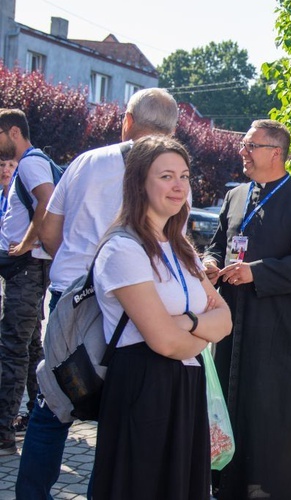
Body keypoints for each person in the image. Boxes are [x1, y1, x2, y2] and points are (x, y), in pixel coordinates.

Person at [17, 87, 179, 499]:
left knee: (53, 406)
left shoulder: (88, 161)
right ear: (174, 128)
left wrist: (76, 264)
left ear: (127, 120)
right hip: (133, 307)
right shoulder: (174, 176)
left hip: (71, 301)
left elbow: (50, 231)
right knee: (118, 414)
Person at [91, 135, 232, 499]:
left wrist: (187, 323)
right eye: (166, 176)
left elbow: (225, 319)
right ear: (139, 182)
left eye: (184, 176)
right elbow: (163, 341)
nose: (179, 186)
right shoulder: (123, 248)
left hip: (187, 386)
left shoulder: (182, 247)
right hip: (142, 387)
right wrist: (202, 329)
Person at [203, 119, 291, 499]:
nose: (242, 151)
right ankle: (227, 484)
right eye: (244, 144)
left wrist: (255, 273)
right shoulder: (235, 195)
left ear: (275, 153)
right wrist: (209, 263)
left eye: (250, 145)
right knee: (230, 403)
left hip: (277, 329)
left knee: (269, 412)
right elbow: (217, 243)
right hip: (232, 322)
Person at [0, 109, 54, 456]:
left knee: (12, 349)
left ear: (14, 132)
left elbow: (46, 201)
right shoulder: (31, 163)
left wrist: (29, 240)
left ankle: (3, 431)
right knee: (31, 347)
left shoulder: (31, 162)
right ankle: (38, 417)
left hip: (27, 269)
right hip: (26, 270)